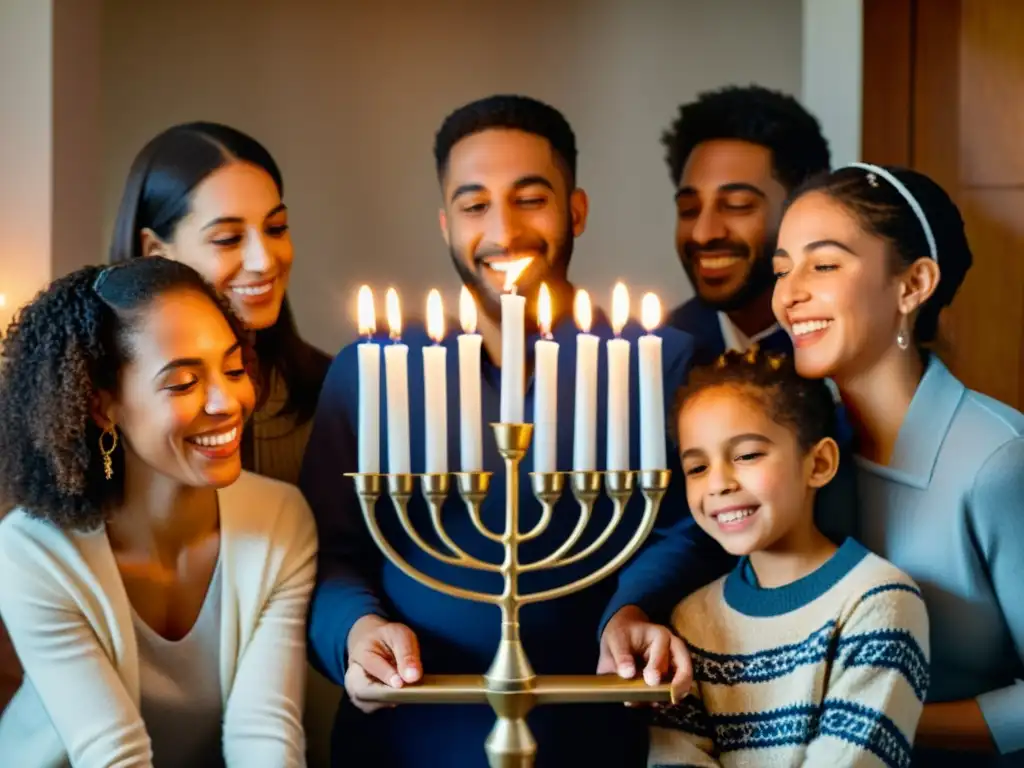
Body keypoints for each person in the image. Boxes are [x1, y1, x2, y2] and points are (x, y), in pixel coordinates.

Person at [301, 94, 733, 767]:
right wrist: (355, 632)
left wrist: (633, 608)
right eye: (474, 205)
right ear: (446, 224)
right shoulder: (371, 374)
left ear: (576, 210)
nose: (503, 230)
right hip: (409, 737)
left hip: (588, 734)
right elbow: (326, 550)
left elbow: (694, 530)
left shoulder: (662, 364)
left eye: (530, 198)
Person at [0, 258, 316, 767]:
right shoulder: (29, 551)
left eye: (234, 369)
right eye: (184, 382)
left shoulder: (280, 520)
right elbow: (111, 753)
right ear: (103, 406)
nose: (228, 401)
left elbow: (265, 735)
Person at [773, 163, 1024, 765]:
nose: (789, 293)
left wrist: (871, 722)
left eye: (824, 264)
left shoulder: (997, 461)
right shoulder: (801, 451)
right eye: (781, 268)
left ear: (913, 284)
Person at [648, 349, 929, 767]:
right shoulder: (690, 621)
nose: (719, 484)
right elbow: (675, 759)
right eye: (697, 468)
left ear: (818, 463)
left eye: (747, 456)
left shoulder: (878, 602)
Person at [109, 121, 331, 486]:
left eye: (276, 228)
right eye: (228, 239)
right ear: (155, 252)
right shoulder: (98, 401)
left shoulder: (329, 391)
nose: (265, 261)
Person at [661, 85, 830, 365]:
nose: (704, 234)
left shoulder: (846, 345)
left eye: (737, 205)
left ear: (805, 209)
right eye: (689, 210)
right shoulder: (662, 355)